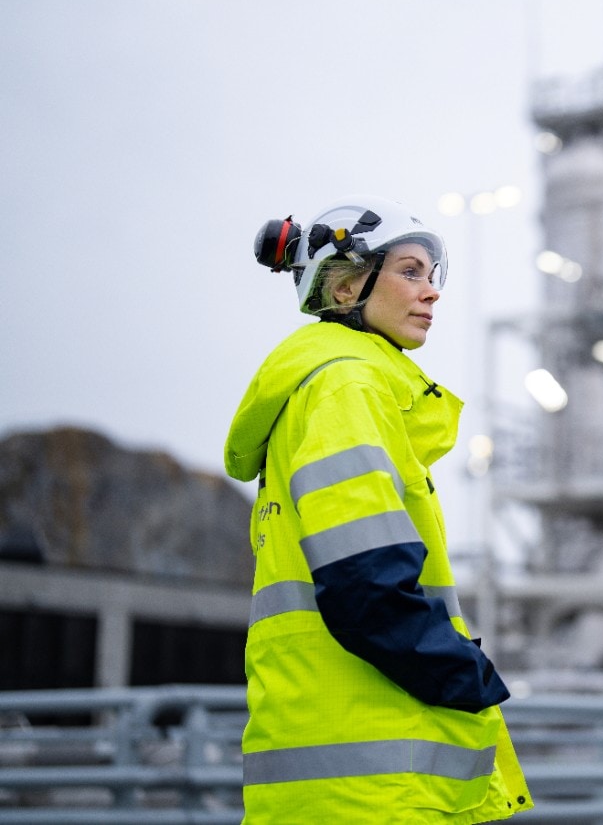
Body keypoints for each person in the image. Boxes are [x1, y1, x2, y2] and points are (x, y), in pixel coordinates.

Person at [225, 195, 532, 823]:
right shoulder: (348, 386)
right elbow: (365, 583)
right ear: (344, 288)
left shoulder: (320, 388)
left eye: (431, 276)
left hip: (329, 759)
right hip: (377, 782)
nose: (432, 292)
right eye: (410, 271)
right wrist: (467, 674)